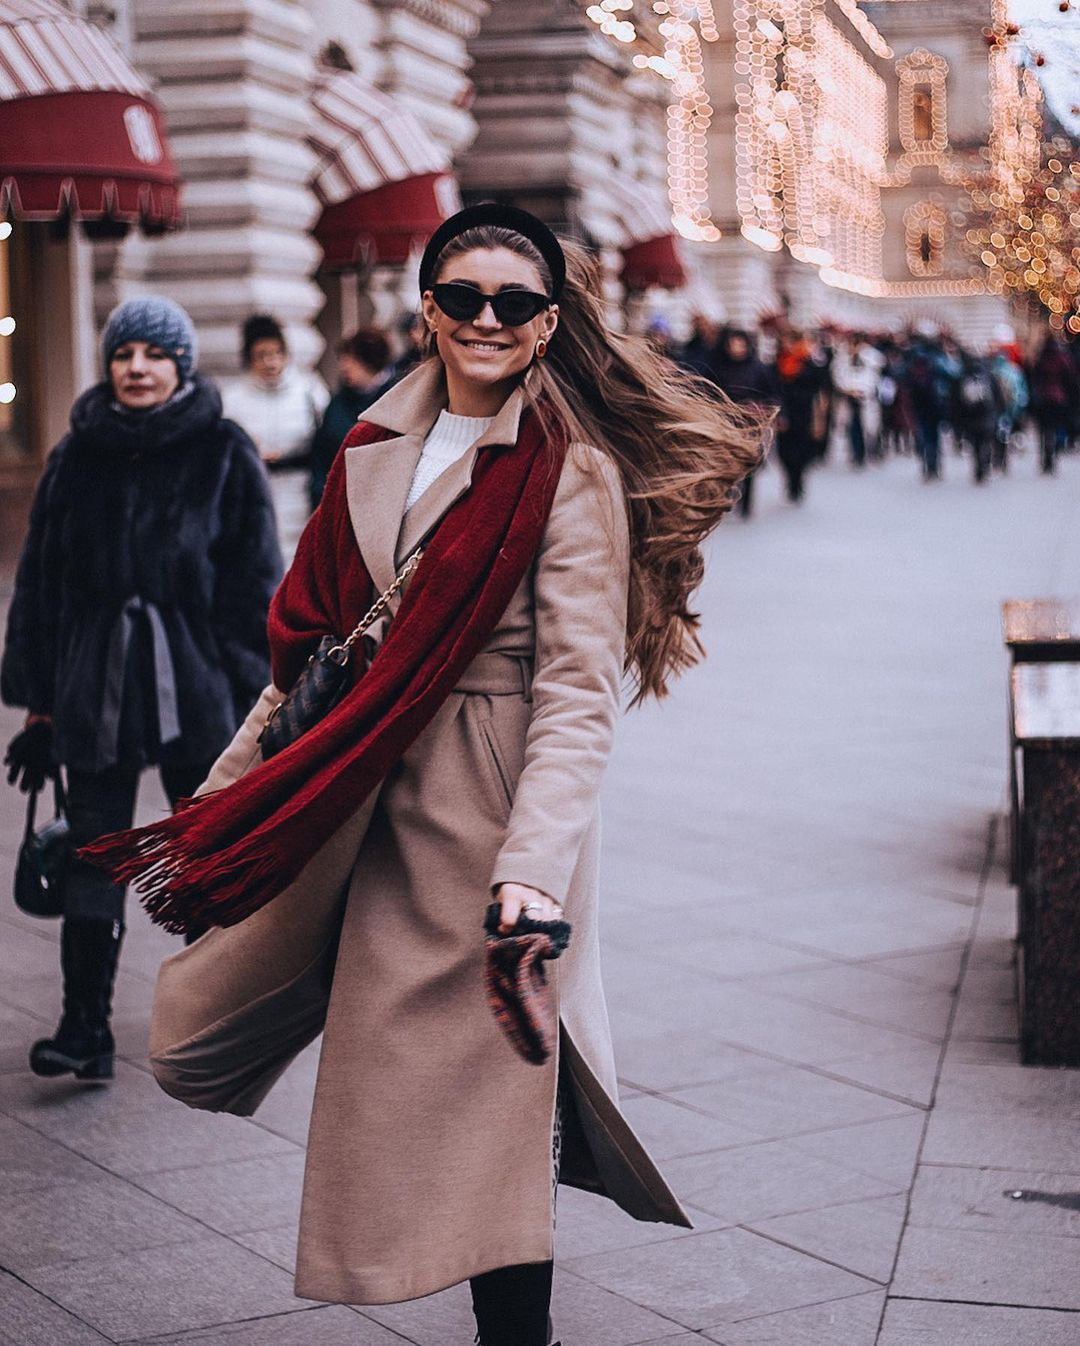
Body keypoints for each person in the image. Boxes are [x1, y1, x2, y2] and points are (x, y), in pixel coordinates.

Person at [81, 205, 763, 1346]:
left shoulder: (571, 468)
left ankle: (516, 1330)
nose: (485, 320)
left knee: (497, 1086)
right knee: (371, 1070)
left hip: (491, 815)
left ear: (547, 324)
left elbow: (577, 689)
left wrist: (535, 868)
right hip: (361, 788)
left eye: (513, 303)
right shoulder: (371, 441)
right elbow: (311, 657)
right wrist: (220, 799)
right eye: (463, 298)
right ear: (428, 309)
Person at [1, 296, 282, 1083]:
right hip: (94, 679)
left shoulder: (224, 450)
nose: (137, 368)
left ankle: (222, 1013)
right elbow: (43, 587)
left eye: (155, 355)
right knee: (95, 851)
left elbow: (256, 585)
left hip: (194, 682)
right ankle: (84, 1026)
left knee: (206, 849)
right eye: (125, 353)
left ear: (181, 367)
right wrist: (40, 701)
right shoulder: (74, 454)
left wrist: (248, 694)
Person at [222, 314, 329, 557]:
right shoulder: (233, 399)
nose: (270, 362)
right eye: (261, 355)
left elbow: (327, 439)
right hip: (255, 490)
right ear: (249, 359)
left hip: (301, 490)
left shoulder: (310, 391)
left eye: (276, 353)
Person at [309, 328, 392, 506]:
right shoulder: (337, 404)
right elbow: (322, 452)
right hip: (338, 500)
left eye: (352, 359)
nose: (345, 366)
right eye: (343, 359)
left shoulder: (394, 400)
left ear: (370, 361)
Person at [711, 327, 780, 517]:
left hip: (751, 424)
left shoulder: (759, 368)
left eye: (741, 344)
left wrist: (761, 408)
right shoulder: (719, 367)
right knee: (727, 463)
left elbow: (772, 395)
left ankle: (746, 504)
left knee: (748, 463)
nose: (737, 348)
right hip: (726, 422)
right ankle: (726, 498)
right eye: (734, 344)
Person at [775, 331, 828, 502]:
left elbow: (821, 390)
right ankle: (790, 478)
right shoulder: (779, 362)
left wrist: (820, 417)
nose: (788, 345)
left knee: (802, 451)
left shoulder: (811, 363)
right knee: (784, 452)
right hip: (785, 411)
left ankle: (798, 482)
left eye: (792, 341)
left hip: (805, 412)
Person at [1028, 335, 1079, 475]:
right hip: (1058, 399)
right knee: (1055, 429)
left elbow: (1034, 379)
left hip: (1043, 400)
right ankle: (1053, 456)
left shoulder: (1041, 359)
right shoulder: (1062, 359)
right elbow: (1070, 381)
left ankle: (1045, 458)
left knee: (1044, 431)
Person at [951, 351, 1001, 484]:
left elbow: (956, 400)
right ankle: (984, 464)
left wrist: (957, 419)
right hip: (987, 415)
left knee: (975, 444)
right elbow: (998, 397)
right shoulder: (989, 376)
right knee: (985, 442)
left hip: (970, 417)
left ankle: (979, 467)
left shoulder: (963, 376)